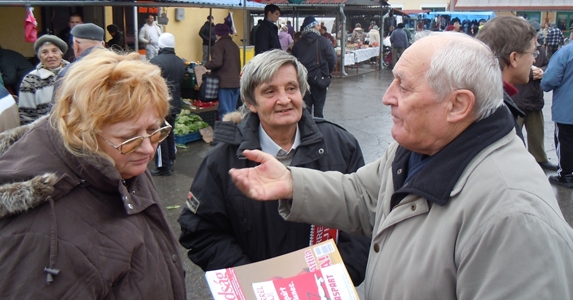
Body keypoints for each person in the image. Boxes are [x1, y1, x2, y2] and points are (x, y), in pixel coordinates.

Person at [228, 32, 573, 299]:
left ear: (457, 105)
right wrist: (291, 182)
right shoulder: (417, 147)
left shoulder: (514, 218)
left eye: (403, 86)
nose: (386, 95)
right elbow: (362, 195)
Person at [0, 48, 186, 299]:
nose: (147, 147)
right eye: (128, 137)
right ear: (81, 131)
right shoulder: (40, 236)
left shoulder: (122, 161)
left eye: (155, 129)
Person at [178, 49, 370, 286]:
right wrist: (254, 281)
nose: (284, 99)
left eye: (291, 88)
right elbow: (201, 232)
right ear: (251, 103)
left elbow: (364, 217)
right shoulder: (222, 160)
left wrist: (339, 275)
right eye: (270, 91)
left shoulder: (341, 145)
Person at [476, 16, 538, 140]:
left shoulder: (480, 93)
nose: (534, 60)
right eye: (532, 53)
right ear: (514, 58)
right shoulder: (495, 111)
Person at [512, 20, 558, 171]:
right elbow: (514, 70)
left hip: (534, 99)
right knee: (513, 135)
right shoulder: (516, 48)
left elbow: (547, 64)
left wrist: (542, 71)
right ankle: (514, 162)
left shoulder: (540, 50)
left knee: (537, 134)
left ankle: (540, 159)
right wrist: (531, 72)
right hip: (517, 100)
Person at [149, 33, 185, 176]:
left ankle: (163, 166)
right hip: (175, 101)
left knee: (160, 134)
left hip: (161, 102)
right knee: (169, 131)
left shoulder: (156, 61)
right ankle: (170, 159)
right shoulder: (179, 61)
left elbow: (151, 83)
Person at [541, 41, 573, 188]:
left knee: (565, 140)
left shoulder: (565, 53)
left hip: (568, 107)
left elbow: (549, 81)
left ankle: (565, 175)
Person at [18, 35, 70, 125]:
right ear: (40, 57)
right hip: (44, 132)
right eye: (45, 52)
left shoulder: (73, 73)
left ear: (61, 54)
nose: (50, 56)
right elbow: (26, 115)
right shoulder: (30, 79)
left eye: (54, 51)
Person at [292, 17, 336, 118]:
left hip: (303, 79)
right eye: (317, 25)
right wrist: (327, 72)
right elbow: (332, 58)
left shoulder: (298, 44)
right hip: (319, 78)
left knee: (305, 109)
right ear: (313, 27)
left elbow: (293, 61)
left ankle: (307, 130)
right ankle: (318, 130)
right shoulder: (323, 41)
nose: (319, 27)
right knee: (319, 109)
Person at [204, 23, 240, 120]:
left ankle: (226, 134)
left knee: (225, 113)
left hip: (225, 84)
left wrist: (206, 64)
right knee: (232, 112)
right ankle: (234, 133)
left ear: (217, 33)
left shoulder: (219, 45)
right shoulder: (234, 45)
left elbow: (217, 62)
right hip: (236, 83)